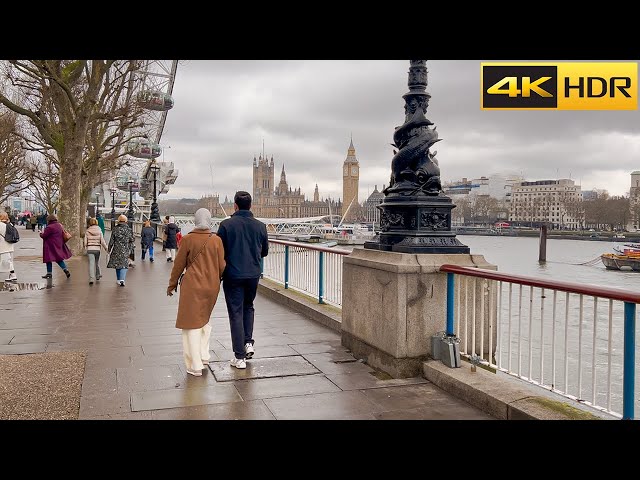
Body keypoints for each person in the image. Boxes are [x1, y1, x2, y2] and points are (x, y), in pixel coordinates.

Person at [167, 208, 226, 376]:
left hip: (192, 286)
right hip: (212, 286)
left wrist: (172, 285)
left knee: (190, 325)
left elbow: (178, 266)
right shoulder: (216, 240)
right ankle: (204, 355)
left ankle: (195, 365)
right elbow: (222, 266)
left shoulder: (187, 239)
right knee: (205, 321)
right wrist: (214, 278)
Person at [217, 191, 268, 369]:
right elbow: (264, 252)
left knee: (236, 313)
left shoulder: (225, 225)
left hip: (233, 275)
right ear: (251, 205)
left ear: (235, 206)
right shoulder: (261, 226)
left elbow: (219, 252)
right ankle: (248, 342)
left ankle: (239, 357)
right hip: (253, 274)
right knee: (249, 307)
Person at [40, 214, 72, 279]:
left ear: (49, 220)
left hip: (49, 245)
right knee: (58, 258)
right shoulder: (59, 225)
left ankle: (49, 273)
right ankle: (65, 269)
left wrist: (40, 233)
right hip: (58, 244)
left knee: (48, 259)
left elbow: (44, 236)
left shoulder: (49, 227)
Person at [107, 214, 134, 286]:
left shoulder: (115, 229)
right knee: (124, 264)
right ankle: (122, 279)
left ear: (118, 221)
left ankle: (118, 279)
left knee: (117, 264)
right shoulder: (129, 229)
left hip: (116, 249)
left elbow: (111, 240)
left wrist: (109, 249)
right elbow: (132, 239)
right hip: (125, 249)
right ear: (126, 221)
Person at [84, 217, 108, 285]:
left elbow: (85, 242)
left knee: (91, 263)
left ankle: (91, 278)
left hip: (90, 249)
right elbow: (102, 241)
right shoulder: (99, 230)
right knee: (97, 262)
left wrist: (86, 247)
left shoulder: (87, 231)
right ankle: (98, 275)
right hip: (97, 249)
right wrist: (106, 248)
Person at [0, 212, 17, 282]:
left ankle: (13, 275)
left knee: (7, 262)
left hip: (3, 246)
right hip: (10, 245)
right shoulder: (10, 224)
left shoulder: (0, 225)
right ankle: (12, 275)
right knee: (10, 261)